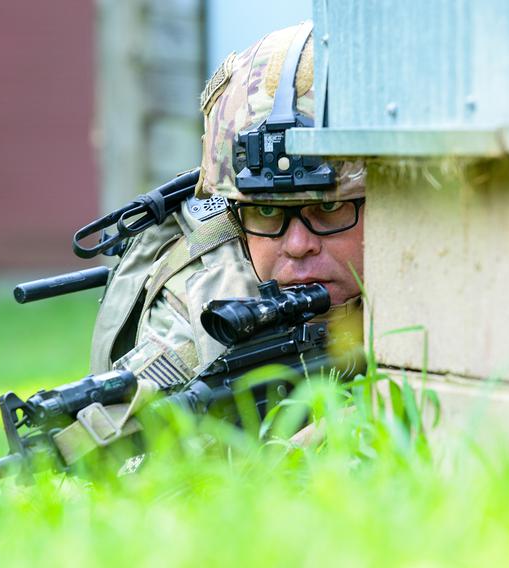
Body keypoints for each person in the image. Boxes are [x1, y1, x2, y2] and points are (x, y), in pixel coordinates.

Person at [90, 21, 365, 385]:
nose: (298, 246)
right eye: (266, 212)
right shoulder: (206, 300)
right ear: (235, 216)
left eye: (329, 209)